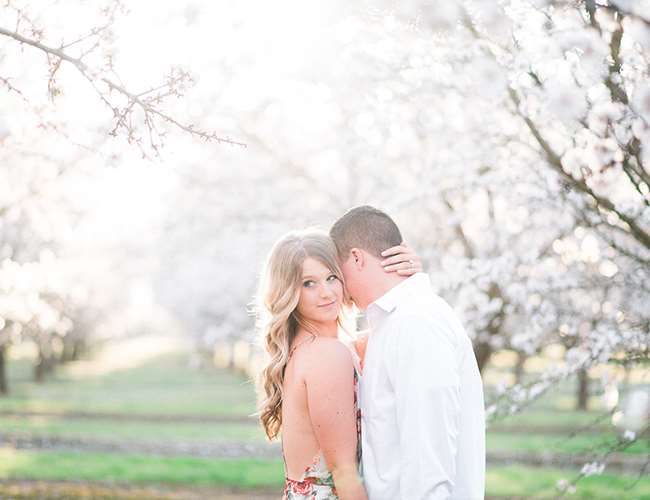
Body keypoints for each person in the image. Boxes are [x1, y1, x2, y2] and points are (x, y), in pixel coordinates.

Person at [330, 205, 486, 500]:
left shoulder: (417, 322)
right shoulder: (392, 324)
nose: (339, 289)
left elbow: (429, 461)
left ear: (356, 258)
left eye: (337, 274)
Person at [256, 229, 421, 500]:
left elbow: (390, 331)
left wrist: (406, 277)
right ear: (288, 292)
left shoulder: (313, 346)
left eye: (331, 277)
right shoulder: (327, 355)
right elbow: (344, 473)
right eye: (308, 283)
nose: (326, 293)